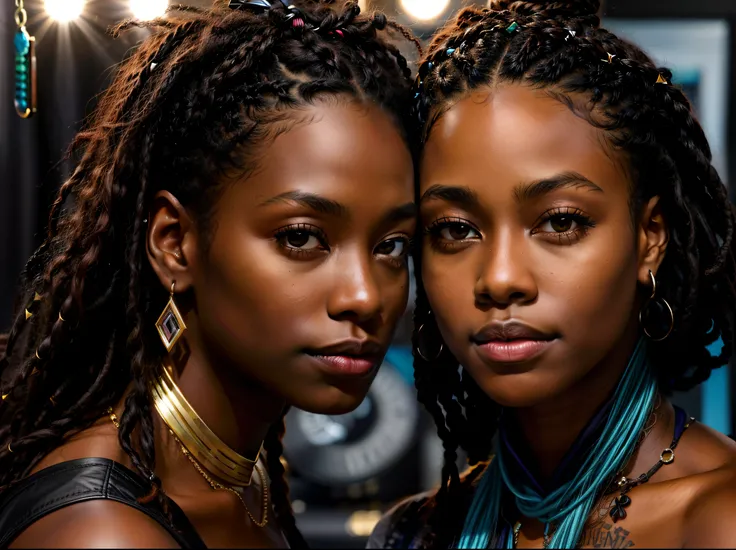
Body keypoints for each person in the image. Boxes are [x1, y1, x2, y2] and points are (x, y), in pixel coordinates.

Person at [0, 0, 420, 547]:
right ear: (174, 245)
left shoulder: (243, 479)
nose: (366, 296)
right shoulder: (103, 534)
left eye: (391, 245)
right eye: (300, 237)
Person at [369, 0, 736, 548]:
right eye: (455, 229)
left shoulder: (720, 520)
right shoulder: (414, 534)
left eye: (560, 222)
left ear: (650, 238)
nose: (499, 279)